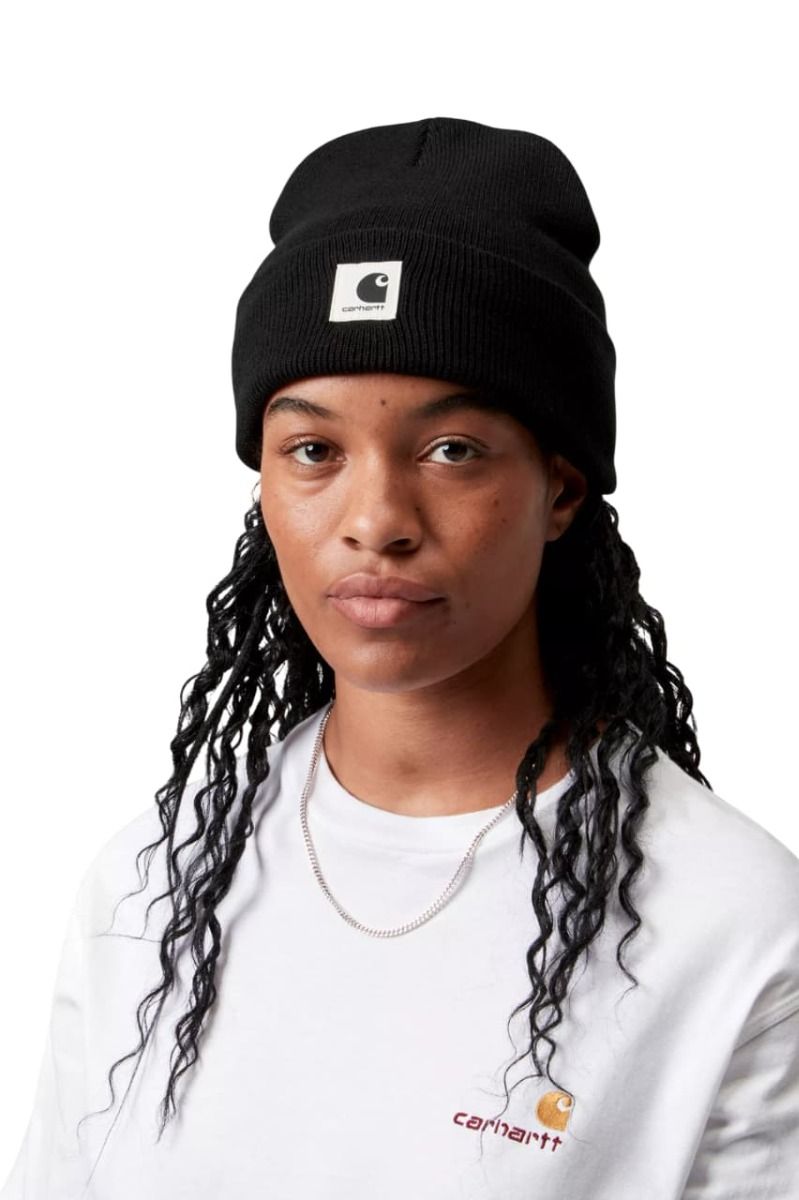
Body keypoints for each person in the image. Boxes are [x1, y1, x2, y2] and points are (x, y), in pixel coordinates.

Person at [2, 116, 798, 1200]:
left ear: (561, 489)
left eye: (451, 450)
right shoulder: (151, 882)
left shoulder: (732, 926)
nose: (375, 520)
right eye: (313, 450)